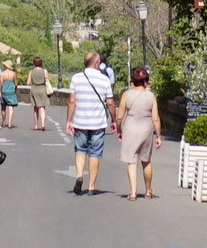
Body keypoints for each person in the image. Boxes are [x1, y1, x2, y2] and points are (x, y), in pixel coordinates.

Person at [68, 52, 116, 194]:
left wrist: (68, 120)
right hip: (98, 123)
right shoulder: (104, 79)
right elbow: (110, 102)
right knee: (95, 153)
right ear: (96, 63)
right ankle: (91, 186)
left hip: (80, 121)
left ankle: (79, 176)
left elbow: (72, 101)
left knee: (80, 150)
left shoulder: (76, 78)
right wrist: (114, 120)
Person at [118, 64, 161, 200]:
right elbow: (155, 118)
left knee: (132, 161)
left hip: (130, 126)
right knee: (146, 160)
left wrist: (119, 129)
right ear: (145, 82)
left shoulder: (126, 95)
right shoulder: (151, 96)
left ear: (132, 80)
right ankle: (148, 190)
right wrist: (158, 135)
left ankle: (133, 192)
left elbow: (119, 116)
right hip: (146, 127)